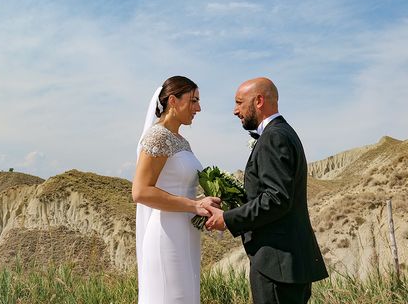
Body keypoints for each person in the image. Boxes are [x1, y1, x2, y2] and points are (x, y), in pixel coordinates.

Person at [205, 77, 328, 304]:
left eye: (239, 102)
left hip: (277, 264)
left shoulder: (274, 137)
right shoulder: (282, 132)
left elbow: (276, 198)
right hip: (286, 263)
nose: (235, 110)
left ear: (259, 101)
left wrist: (228, 219)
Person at [133, 76, 221, 304]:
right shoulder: (157, 137)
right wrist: (194, 205)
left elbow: (178, 187)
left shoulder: (181, 141)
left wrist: (204, 202)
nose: (199, 108)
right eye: (193, 101)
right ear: (173, 100)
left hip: (186, 231)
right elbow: (140, 191)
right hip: (166, 233)